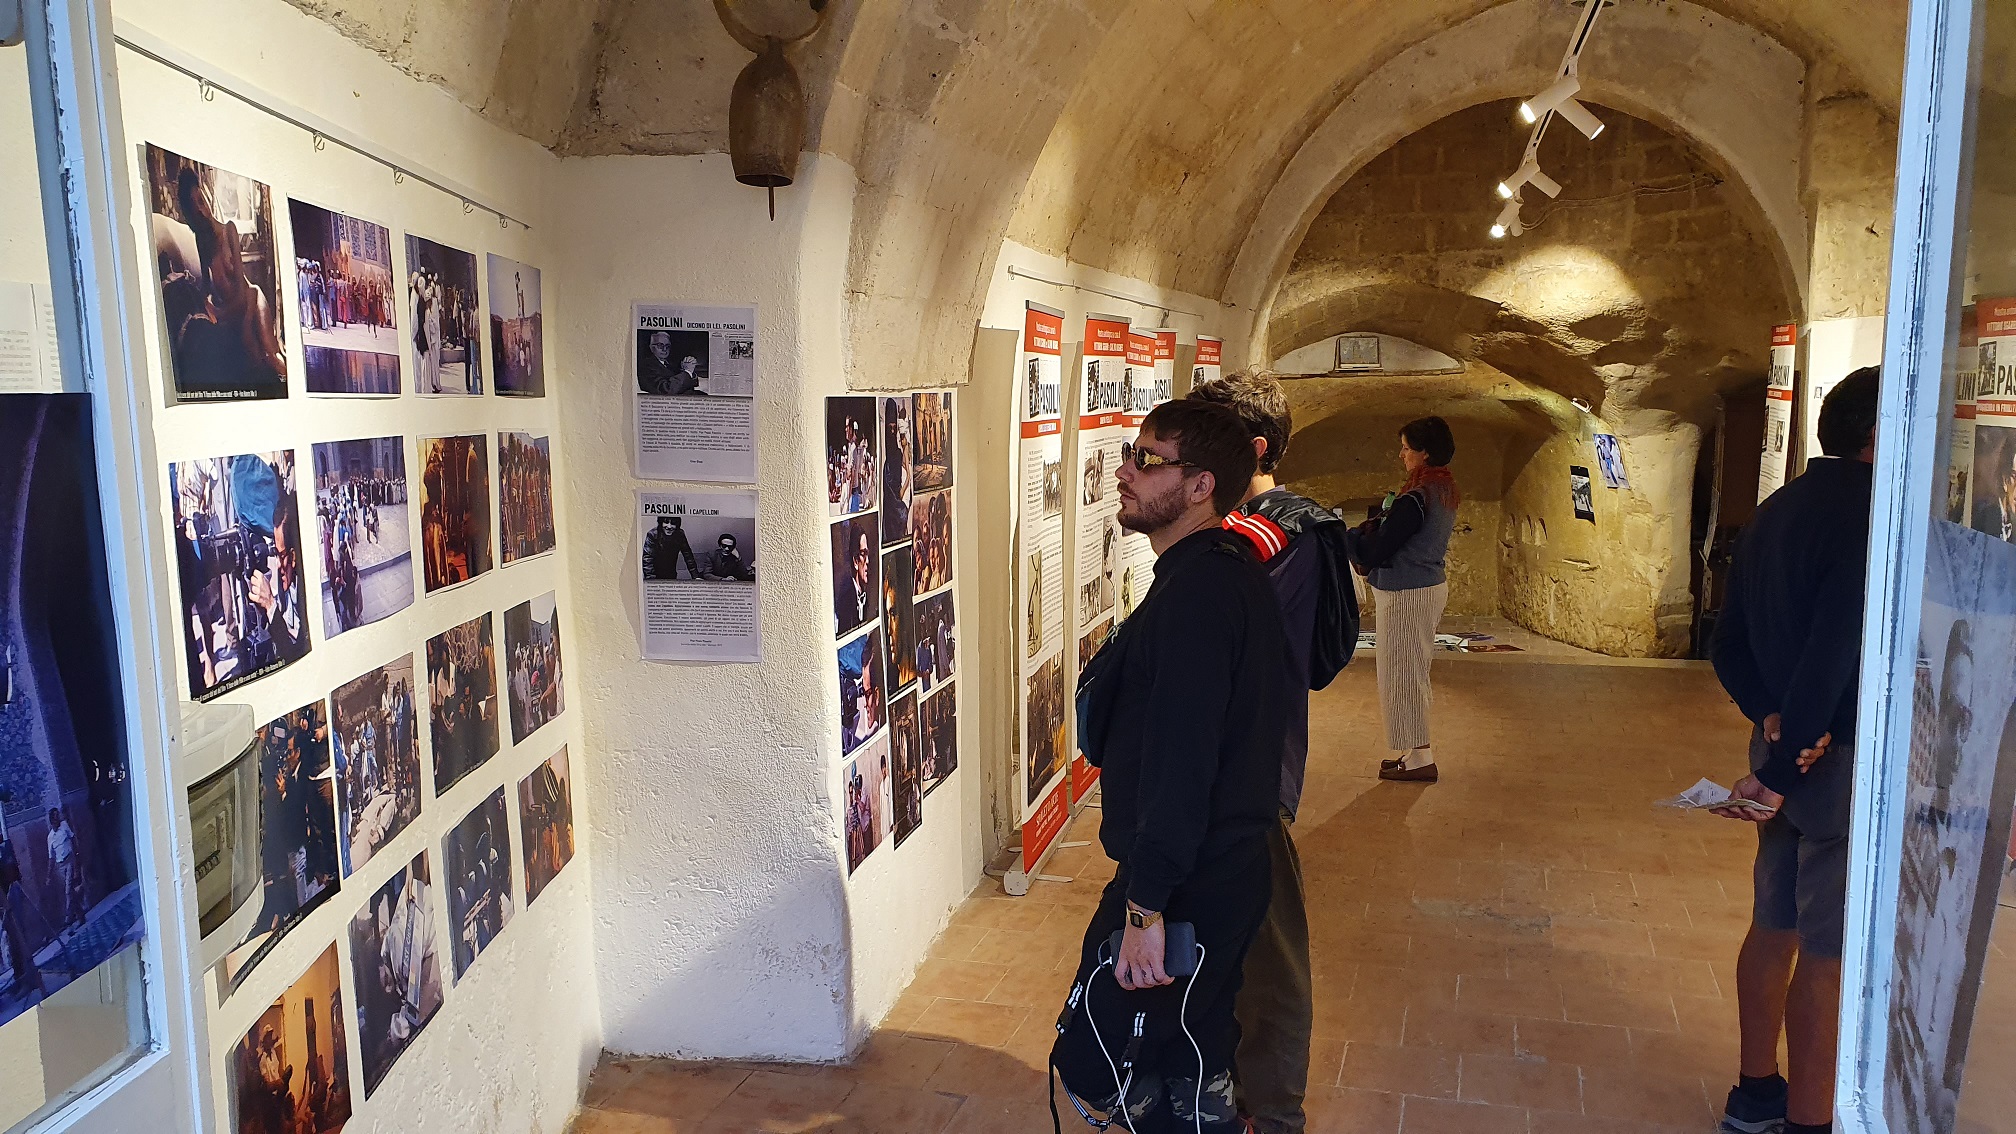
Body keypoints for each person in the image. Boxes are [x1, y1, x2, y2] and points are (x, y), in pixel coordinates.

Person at [1053, 398, 1289, 1133]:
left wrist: (1146, 908)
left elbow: (1183, 762)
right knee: (1189, 1051)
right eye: (1132, 453)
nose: (1125, 471)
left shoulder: (1201, 593)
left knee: (1101, 1057)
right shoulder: (1207, 575)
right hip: (1207, 867)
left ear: (1199, 486)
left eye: (1147, 460)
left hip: (1190, 878)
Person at [1188, 373, 1360, 1134]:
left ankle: (1277, 1115)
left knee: (1271, 957)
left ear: (1250, 449)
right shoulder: (1253, 530)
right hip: (1235, 770)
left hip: (1249, 775)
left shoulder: (1271, 538)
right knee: (1237, 947)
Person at [1708, 366, 1879, 1134]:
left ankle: (1755, 1094)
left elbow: (1728, 645)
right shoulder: (1870, 517)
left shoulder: (1775, 510)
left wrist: (1768, 718)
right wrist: (1788, 755)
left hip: (1785, 742)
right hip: (1829, 757)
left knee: (1772, 921)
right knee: (1830, 948)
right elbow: (1833, 652)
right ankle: (1811, 1121)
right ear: (1882, 434)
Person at [1344, 416, 1458, 783]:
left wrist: (1346, 539)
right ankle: (1412, 752)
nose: (1401, 455)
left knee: (1402, 674)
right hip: (1423, 586)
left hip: (1408, 591)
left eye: (1407, 448)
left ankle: (1421, 756)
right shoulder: (1441, 488)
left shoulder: (1417, 497)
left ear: (1424, 453)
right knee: (1409, 671)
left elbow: (1381, 547)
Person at [47, 807, 82, 935]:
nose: (57, 819)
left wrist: (77, 854)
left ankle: (68, 918)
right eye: (55, 818)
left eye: (58, 816)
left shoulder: (65, 826)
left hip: (70, 859)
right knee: (71, 892)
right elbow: (51, 857)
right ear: (52, 822)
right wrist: (49, 875)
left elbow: (73, 839)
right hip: (60, 865)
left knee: (67, 891)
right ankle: (81, 916)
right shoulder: (50, 837)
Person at [644, 516, 701, 581]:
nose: (669, 526)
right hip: (654, 575)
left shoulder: (680, 534)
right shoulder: (652, 534)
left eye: (673, 523)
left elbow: (688, 556)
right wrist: (651, 580)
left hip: (671, 574)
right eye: (666, 522)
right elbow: (647, 559)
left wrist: (696, 576)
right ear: (661, 523)